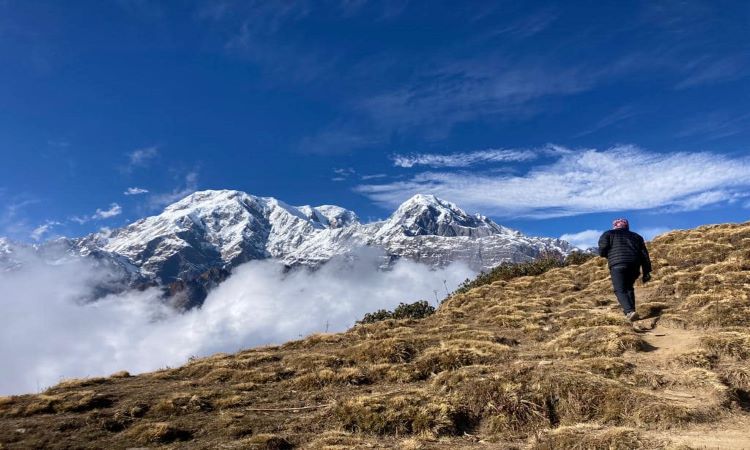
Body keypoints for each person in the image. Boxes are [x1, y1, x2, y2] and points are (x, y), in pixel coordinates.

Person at [598, 218, 652, 322]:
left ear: (614, 226)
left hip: (617, 264)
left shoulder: (608, 234)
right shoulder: (637, 236)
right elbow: (644, 255)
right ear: (627, 226)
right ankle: (632, 312)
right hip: (634, 265)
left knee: (620, 289)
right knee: (629, 288)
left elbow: (602, 251)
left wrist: (608, 255)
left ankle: (629, 311)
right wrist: (646, 272)